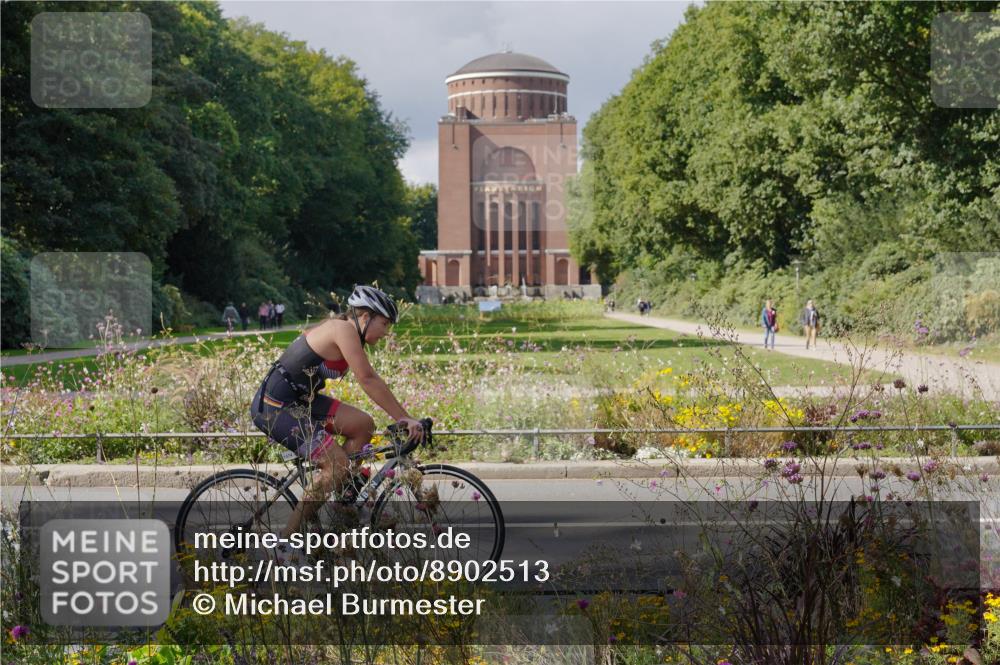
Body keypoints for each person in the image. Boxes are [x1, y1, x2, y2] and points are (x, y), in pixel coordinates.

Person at [250, 285, 424, 543]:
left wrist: (403, 416)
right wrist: (405, 417)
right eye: (385, 324)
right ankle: (286, 542)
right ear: (365, 317)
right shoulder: (342, 330)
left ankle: (342, 503)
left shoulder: (349, 332)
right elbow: (367, 378)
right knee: (337, 464)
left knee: (363, 425)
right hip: (274, 407)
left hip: (301, 402)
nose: (387, 332)